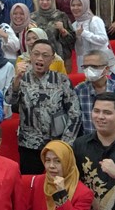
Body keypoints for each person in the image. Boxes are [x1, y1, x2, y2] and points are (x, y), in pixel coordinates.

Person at [9, 39, 81, 174]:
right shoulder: (22, 78)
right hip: (29, 144)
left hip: (57, 143)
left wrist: (65, 143)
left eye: (45, 55)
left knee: (57, 185)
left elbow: (75, 113)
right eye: (36, 54)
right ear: (30, 56)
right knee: (31, 185)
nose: (40, 58)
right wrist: (16, 80)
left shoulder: (62, 80)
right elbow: (9, 101)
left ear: (53, 59)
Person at [28, 140, 94, 210]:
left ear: (67, 162)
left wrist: (61, 194)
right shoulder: (38, 182)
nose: (51, 166)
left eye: (58, 161)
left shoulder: (83, 193)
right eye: (47, 160)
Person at [70, 0, 115, 77]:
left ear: (86, 5)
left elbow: (103, 40)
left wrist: (84, 33)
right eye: (73, 5)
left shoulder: (95, 20)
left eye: (79, 5)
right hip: (85, 66)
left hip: (102, 65)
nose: (75, 8)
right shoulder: (74, 25)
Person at [32, 0, 76, 72]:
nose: (45, 2)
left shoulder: (61, 16)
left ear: (52, 0)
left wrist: (63, 31)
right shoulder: (32, 18)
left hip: (60, 59)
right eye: (42, 0)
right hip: (39, 60)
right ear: (38, 1)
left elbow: (72, 40)